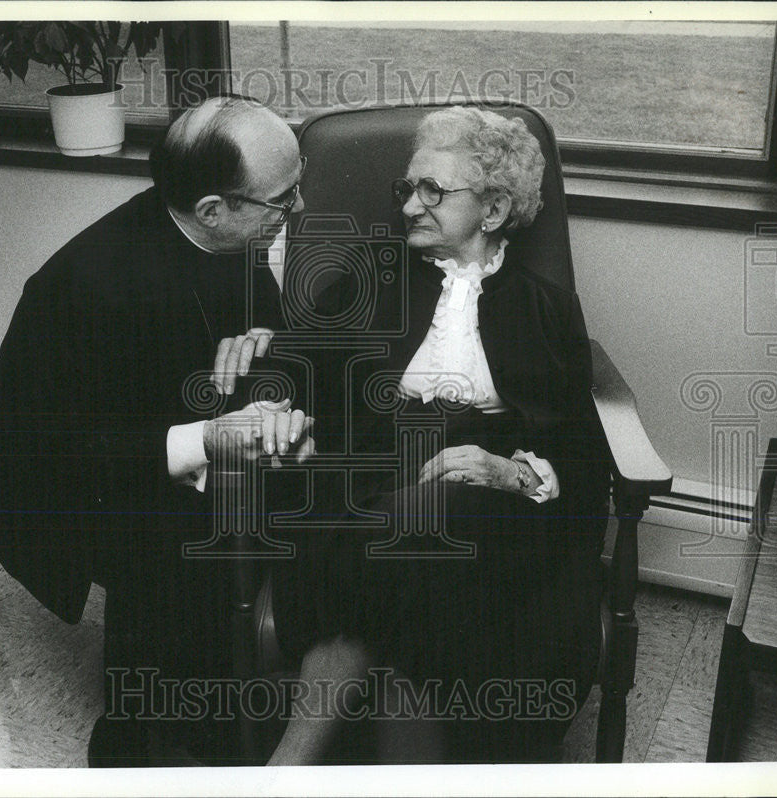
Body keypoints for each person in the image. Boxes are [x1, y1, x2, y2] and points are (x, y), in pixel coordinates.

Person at [240, 105, 612, 764]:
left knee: (434, 520)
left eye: (433, 191)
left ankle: (288, 764)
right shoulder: (370, 277)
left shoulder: (545, 310)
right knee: (416, 549)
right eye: (406, 189)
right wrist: (262, 360)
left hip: (493, 513)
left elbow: (581, 455)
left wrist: (509, 471)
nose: (410, 205)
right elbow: (296, 370)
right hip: (379, 487)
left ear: (493, 211)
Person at [0, 95, 314, 767]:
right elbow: (60, 454)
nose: (296, 209)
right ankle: (141, 729)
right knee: (175, 535)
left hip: (149, 437)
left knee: (297, 493)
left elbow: (247, 335)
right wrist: (209, 440)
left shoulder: (227, 229)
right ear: (214, 208)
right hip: (47, 480)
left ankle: (257, 668)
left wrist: (269, 353)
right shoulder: (89, 287)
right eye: (283, 198)